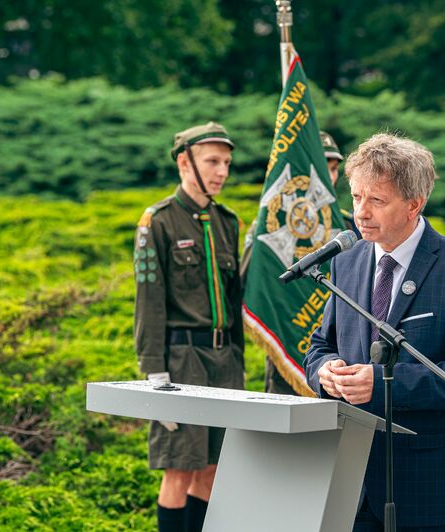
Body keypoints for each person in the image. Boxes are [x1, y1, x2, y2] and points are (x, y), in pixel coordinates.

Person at [304, 133, 445, 531]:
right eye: (357, 197)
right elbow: (320, 345)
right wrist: (325, 372)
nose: (361, 212)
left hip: (428, 484)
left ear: (415, 204)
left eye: (376, 201)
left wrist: (381, 384)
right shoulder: (346, 264)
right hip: (353, 481)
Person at [134, 122, 245, 532]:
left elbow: (233, 301)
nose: (222, 171)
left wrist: (237, 360)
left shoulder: (227, 221)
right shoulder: (158, 221)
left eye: (227, 163)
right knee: (179, 469)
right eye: (212, 161)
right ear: (185, 162)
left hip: (223, 361)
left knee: (214, 469)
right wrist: (154, 372)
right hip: (181, 363)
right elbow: (149, 299)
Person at [262, 130, 358, 395]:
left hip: (341, 361)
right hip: (288, 350)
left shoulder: (351, 227)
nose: (330, 176)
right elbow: (260, 291)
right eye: (321, 168)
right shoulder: (272, 231)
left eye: (335, 168)